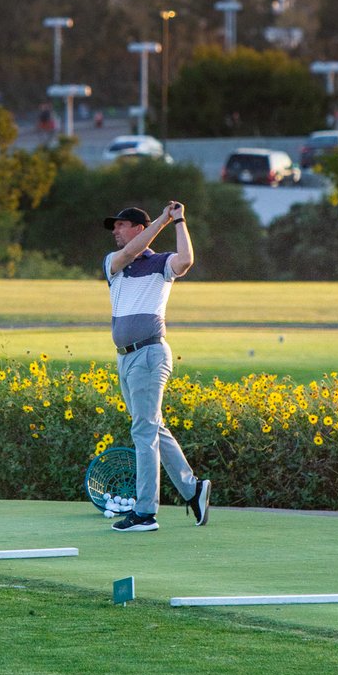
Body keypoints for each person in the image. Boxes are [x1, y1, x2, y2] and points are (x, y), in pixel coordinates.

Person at [102, 201, 211, 532]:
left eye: (121, 225)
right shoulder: (113, 263)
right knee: (152, 427)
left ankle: (146, 512)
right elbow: (131, 251)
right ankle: (192, 489)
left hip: (149, 355)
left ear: (138, 228)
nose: (116, 232)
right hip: (125, 357)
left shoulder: (161, 263)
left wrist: (177, 221)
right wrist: (163, 220)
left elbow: (187, 260)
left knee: (143, 430)